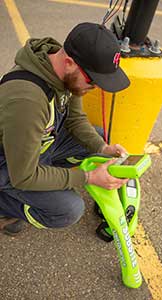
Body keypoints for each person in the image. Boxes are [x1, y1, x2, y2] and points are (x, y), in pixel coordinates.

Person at [0, 22, 130, 235]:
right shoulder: (27, 101)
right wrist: (87, 177)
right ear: (69, 62)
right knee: (67, 210)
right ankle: (6, 205)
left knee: (96, 139)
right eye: (93, 81)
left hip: (37, 146)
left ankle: (44, 176)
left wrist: (103, 147)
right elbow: (24, 175)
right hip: (10, 164)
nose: (95, 88)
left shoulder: (62, 70)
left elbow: (75, 119)